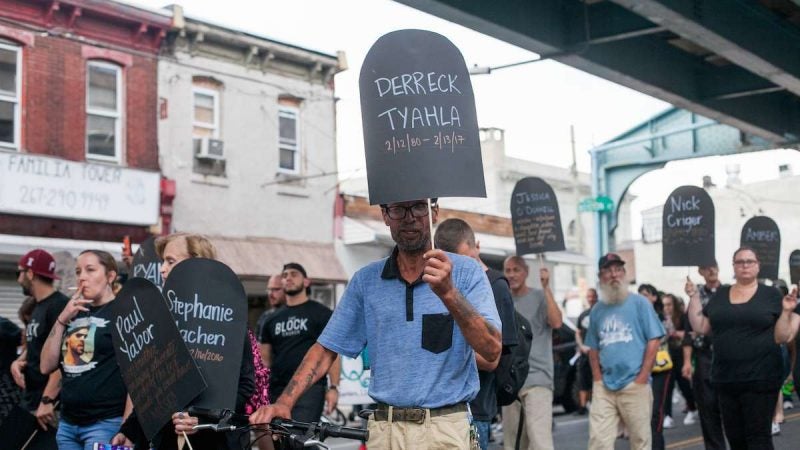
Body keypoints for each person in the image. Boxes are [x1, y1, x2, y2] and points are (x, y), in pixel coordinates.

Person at [250, 198, 502, 449]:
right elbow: (326, 349)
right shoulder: (366, 281)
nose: (409, 217)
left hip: (445, 428)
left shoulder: (467, 272)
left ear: (433, 212)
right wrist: (284, 402)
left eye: (418, 207)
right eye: (397, 208)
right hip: (385, 430)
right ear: (385, 216)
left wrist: (449, 293)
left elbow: (492, 349)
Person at [114, 233, 258, 450]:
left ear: (196, 263)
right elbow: (155, 388)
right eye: (162, 261)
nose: (162, 269)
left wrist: (204, 421)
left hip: (211, 442)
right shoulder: (161, 317)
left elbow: (245, 386)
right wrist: (129, 430)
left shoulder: (226, 318)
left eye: (170, 261)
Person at [687, 247, 786, 449]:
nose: (745, 265)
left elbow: (783, 335)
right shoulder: (721, 294)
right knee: (735, 438)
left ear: (758, 266)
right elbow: (701, 327)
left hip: (761, 378)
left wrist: (789, 312)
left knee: (758, 438)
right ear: (733, 267)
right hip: (726, 380)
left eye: (750, 261)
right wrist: (693, 297)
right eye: (739, 262)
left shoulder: (772, 295)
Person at [434, 217, 518, 450]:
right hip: (437, 410)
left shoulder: (495, 285)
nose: (464, 269)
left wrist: (439, 355)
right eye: (454, 263)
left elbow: (493, 357)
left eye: (467, 260)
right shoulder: (438, 283)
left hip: (475, 407)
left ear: (477, 246)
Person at [40, 250, 132, 450]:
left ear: (110, 276)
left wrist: (127, 426)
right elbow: (46, 366)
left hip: (106, 424)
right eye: (79, 271)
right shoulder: (71, 313)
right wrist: (62, 319)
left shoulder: (123, 313)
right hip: (68, 424)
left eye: (90, 270)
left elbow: (136, 377)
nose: (82, 277)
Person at [585, 253, 664, 450]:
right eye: (608, 271)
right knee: (598, 441)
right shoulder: (597, 310)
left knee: (640, 441)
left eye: (618, 270)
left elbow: (654, 339)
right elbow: (592, 347)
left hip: (634, 384)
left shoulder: (639, 303)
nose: (614, 275)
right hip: (605, 386)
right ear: (600, 276)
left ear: (624, 273)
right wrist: (597, 379)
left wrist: (642, 376)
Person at [260, 262, 340, 423]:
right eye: (285, 275)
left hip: (310, 388)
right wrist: (262, 391)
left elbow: (332, 355)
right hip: (277, 389)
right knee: (281, 440)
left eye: (294, 274)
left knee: (299, 438)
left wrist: (334, 388)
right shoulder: (270, 320)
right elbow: (265, 361)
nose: (288, 278)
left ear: (306, 282)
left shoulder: (322, 313)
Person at [501, 255, 561, 450]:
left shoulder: (539, 296)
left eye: (516, 269)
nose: (511, 274)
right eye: (508, 270)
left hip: (537, 380)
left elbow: (557, 322)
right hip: (510, 383)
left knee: (539, 442)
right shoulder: (502, 300)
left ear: (526, 272)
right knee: (514, 444)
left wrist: (546, 287)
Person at [10, 249, 68, 438]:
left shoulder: (58, 306)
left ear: (30, 273)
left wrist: (47, 400)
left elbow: (65, 357)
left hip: (48, 407)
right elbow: (39, 342)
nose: (18, 279)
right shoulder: (38, 305)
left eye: (19, 273)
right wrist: (19, 361)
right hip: (31, 399)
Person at [681, 261, 727, 450]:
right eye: (707, 267)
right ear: (700, 271)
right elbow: (688, 331)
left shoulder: (728, 292)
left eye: (715, 266)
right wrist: (686, 361)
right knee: (707, 407)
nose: (712, 270)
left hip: (727, 355)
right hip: (704, 356)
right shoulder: (696, 295)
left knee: (730, 406)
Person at [638, 284, 670, 450]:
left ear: (653, 297)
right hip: (640, 367)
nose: (642, 298)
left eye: (645, 294)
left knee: (656, 410)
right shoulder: (635, 315)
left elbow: (664, 336)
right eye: (640, 295)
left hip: (659, 367)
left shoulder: (661, 316)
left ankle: (657, 445)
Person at [661, 293, 697, 426]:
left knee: (684, 385)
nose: (667, 308)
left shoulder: (682, 317)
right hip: (667, 355)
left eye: (669, 304)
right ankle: (667, 415)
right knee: (667, 387)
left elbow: (689, 334)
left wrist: (675, 333)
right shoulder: (662, 318)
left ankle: (692, 408)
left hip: (681, 354)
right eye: (664, 305)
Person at [574, 287, 598, 415]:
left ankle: (596, 403)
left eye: (592, 296)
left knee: (597, 379)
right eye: (588, 296)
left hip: (598, 353)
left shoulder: (602, 312)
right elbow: (577, 332)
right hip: (585, 354)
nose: (590, 299)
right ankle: (583, 406)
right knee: (583, 379)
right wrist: (581, 346)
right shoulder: (583, 315)